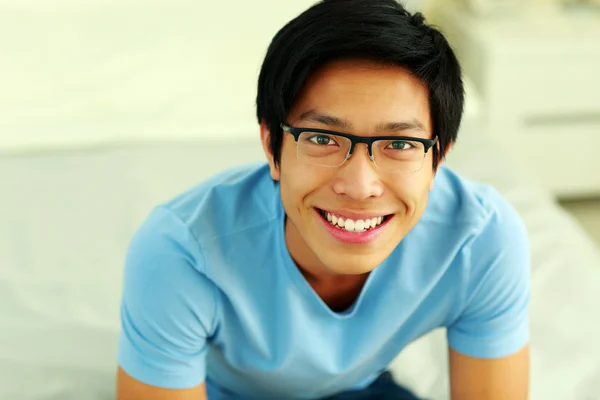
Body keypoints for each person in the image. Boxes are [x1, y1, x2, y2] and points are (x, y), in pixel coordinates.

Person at [116, 0, 531, 399]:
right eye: (321, 138)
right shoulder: (181, 252)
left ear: (438, 157)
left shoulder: (481, 239)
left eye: (400, 143)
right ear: (271, 146)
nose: (360, 185)